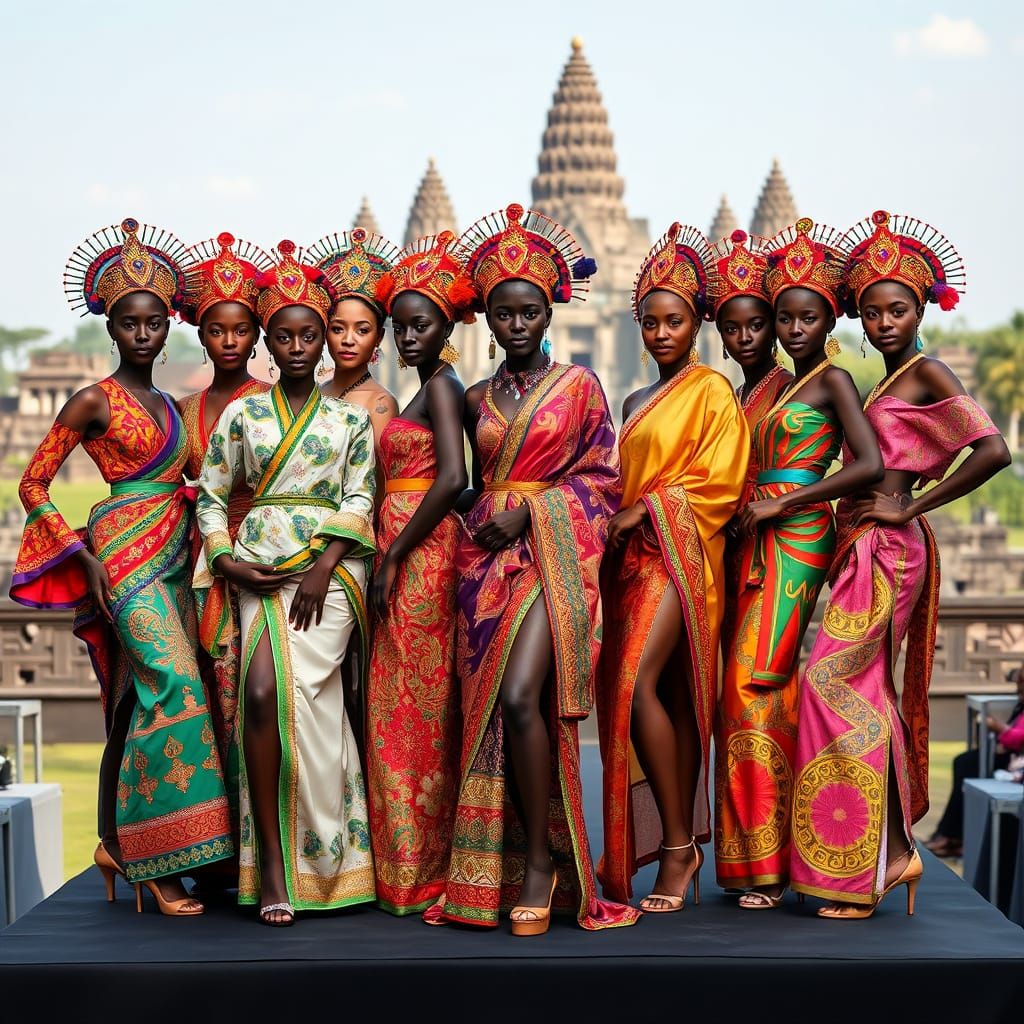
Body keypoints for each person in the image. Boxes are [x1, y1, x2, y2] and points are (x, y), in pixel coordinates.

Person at [790, 210, 1010, 918]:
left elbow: (992, 451)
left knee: (833, 684)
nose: (885, 322)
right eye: (875, 312)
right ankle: (893, 852)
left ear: (922, 309)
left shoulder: (926, 373)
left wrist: (912, 508)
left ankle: (868, 863)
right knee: (863, 692)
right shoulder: (884, 382)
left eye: (900, 309)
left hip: (890, 548)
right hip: (861, 545)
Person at [11, 218, 233, 915]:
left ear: (169, 326)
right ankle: (157, 862)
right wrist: (81, 557)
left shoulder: (173, 405)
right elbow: (32, 485)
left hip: (177, 556)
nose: (142, 334)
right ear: (110, 327)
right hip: (122, 559)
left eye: (153, 323)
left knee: (137, 702)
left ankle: (114, 843)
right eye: (128, 323)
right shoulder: (92, 400)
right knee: (175, 686)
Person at [429, 203, 638, 935]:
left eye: (529, 312)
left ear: (549, 313)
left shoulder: (579, 388)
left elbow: (604, 479)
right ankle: (504, 865)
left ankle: (547, 868)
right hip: (484, 566)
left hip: (553, 555)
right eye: (503, 315)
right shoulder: (475, 398)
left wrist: (534, 512)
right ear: (486, 320)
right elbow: (454, 483)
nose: (516, 325)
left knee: (523, 698)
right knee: (490, 713)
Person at [193, 240, 377, 926]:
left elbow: (361, 499)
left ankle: (329, 862)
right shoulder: (242, 416)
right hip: (256, 566)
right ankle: (272, 862)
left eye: (311, 334)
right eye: (286, 336)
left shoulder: (349, 420)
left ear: (324, 341)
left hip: (331, 571)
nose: (299, 346)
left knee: (311, 703)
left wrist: (325, 563)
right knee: (263, 690)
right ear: (268, 343)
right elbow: (211, 497)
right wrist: (225, 560)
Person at [716, 218, 885, 908]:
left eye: (805, 317)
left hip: (796, 535)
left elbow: (869, 462)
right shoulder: (764, 389)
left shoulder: (832, 380)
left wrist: (788, 503)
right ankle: (756, 857)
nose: (791, 329)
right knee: (754, 688)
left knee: (753, 682)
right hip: (753, 536)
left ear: (828, 320)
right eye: (783, 317)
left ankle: (769, 865)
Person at [596, 222, 749, 912]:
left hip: (681, 559)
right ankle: (667, 843)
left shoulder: (713, 391)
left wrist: (645, 510)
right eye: (651, 322)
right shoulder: (632, 404)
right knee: (632, 699)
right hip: (633, 566)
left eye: (675, 321)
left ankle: (681, 849)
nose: (661, 333)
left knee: (634, 689)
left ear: (697, 324)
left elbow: (723, 482)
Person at [363, 232, 472, 914]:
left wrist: (398, 551)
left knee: (419, 711)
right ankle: (404, 866)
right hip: (403, 542)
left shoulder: (443, 386)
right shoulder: (422, 391)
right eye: (400, 326)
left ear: (448, 326)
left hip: (423, 554)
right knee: (399, 708)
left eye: (420, 324)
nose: (408, 336)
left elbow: (457, 477)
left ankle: (425, 869)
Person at [180, 232, 272, 868]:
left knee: (254, 698)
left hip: (264, 557)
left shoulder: (272, 406)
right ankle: (207, 847)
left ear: (256, 336)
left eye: (241, 330)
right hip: (199, 558)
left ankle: (256, 849)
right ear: (203, 335)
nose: (230, 341)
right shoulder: (183, 410)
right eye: (217, 330)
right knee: (207, 698)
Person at [712, 229, 793, 665]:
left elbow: (862, 462)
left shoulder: (793, 390)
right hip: (734, 537)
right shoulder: (730, 394)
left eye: (757, 325)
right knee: (729, 669)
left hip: (781, 536)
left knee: (758, 669)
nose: (744, 338)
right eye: (731, 328)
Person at [309, 228, 398, 455]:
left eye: (362, 330)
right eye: (338, 329)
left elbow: (377, 481)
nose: (348, 340)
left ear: (378, 337)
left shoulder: (381, 403)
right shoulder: (311, 395)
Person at [928, 668, 1024, 857]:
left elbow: (1019, 738)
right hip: (1010, 752)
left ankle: (951, 835)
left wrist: (999, 729)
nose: (1018, 690)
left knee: (967, 763)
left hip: (1016, 761)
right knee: (964, 762)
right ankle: (949, 834)